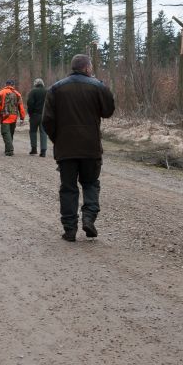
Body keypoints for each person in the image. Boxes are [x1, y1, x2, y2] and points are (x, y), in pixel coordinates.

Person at [42, 54, 115, 241]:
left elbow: (47, 121)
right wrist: (102, 86)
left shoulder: (55, 88)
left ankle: (70, 229)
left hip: (66, 149)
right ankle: (89, 218)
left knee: (68, 188)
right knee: (90, 184)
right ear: (87, 68)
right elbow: (108, 111)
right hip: (90, 147)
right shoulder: (98, 86)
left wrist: (57, 139)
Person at [0, 79, 26, 156]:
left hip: (5, 116)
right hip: (14, 117)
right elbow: (21, 106)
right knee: (10, 133)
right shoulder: (17, 94)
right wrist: (22, 117)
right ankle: (8, 148)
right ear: (13, 85)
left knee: (5, 133)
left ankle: (9, 150)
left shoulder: (1, 92)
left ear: (6, 84)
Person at [26, 78, 48, 157]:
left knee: (33, 132)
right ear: (42, 83)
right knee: (43, 132)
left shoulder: (33, 91)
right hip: (45, 115)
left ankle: (34, 149)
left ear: (35, 84)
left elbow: (30, 103)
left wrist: (30, 113)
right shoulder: (47, 91)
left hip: (35, 115)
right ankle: (43, 151)